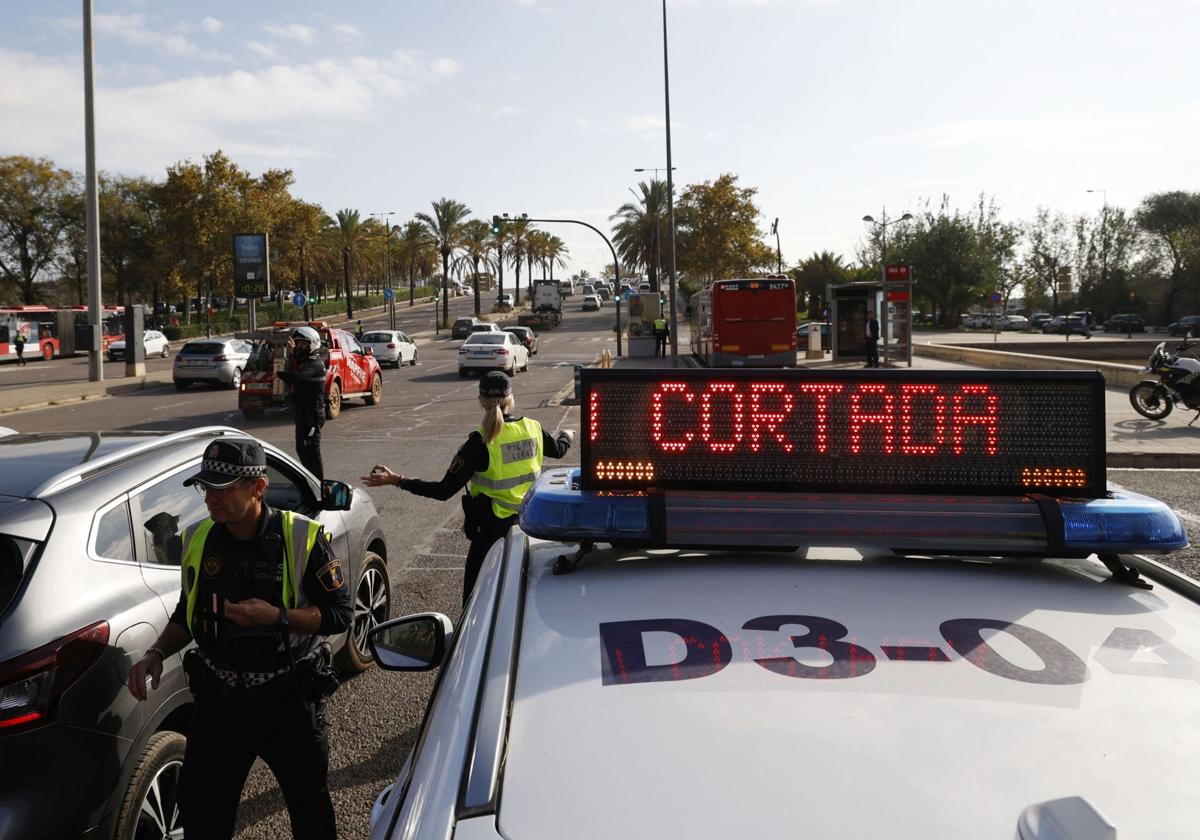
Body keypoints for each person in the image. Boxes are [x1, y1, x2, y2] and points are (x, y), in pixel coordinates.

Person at [125, 438, 351, 840]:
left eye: (223, 489)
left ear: (258, 488)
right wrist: (157, 652)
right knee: (203, 815)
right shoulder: (199, 539)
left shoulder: (302, 537)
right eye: (206, 488)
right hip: (221, 701)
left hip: (287, 697)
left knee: (310, 809)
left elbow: (339, 613)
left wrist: (276, 617)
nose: (211, 498)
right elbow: (187, 612)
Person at [362, 371, 574, 605]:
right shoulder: (533, 428)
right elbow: (559, 449)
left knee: (473, 601)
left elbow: (443, 491)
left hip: (490, 534)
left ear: (481, 401)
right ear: (510, 398)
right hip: (528, 527)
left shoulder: (478, 442)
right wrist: (567, 435)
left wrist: (397, 480)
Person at [276, 326, 326, 480]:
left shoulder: (314, 364)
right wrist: (292, 352)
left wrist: (277, 373)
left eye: (303, 344)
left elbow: (297, 377)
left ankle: (319, 484)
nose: (300, 347)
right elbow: (300, 362)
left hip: (312, 414)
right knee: (301, 449)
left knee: (311, 450)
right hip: (304, 413)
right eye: (298, 344)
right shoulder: (307, 361)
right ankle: (311, 479)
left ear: (312, 344)